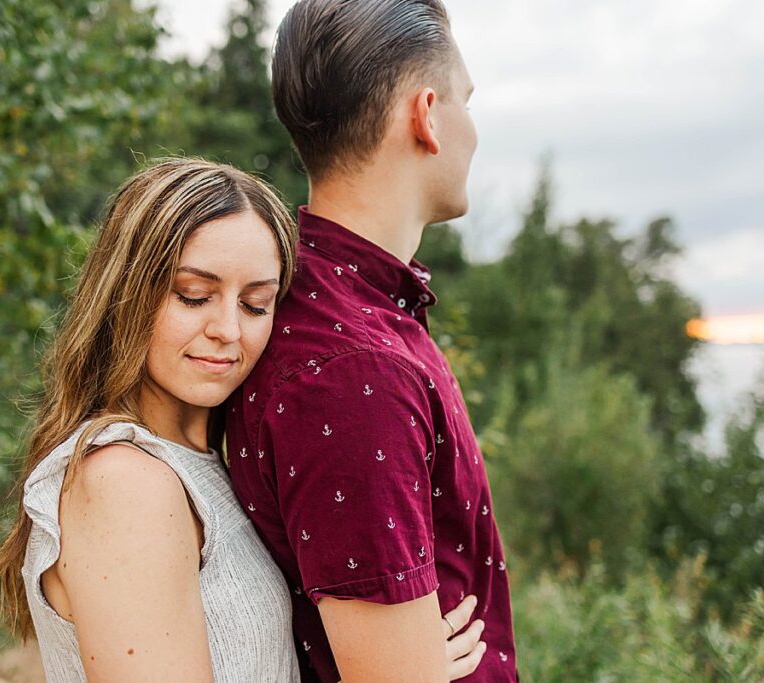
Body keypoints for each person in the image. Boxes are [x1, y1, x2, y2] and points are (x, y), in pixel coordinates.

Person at [0, 158, 484, 682]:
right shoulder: (122, 480)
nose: (227, 329)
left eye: (255, 304)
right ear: (126, 294)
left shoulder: (205, 467)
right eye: (194, 296)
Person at [223, 1, 518, 681]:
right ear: (427, 116)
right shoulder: (351, 367)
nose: (474, 127)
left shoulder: (344, 313)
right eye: (465, 100)